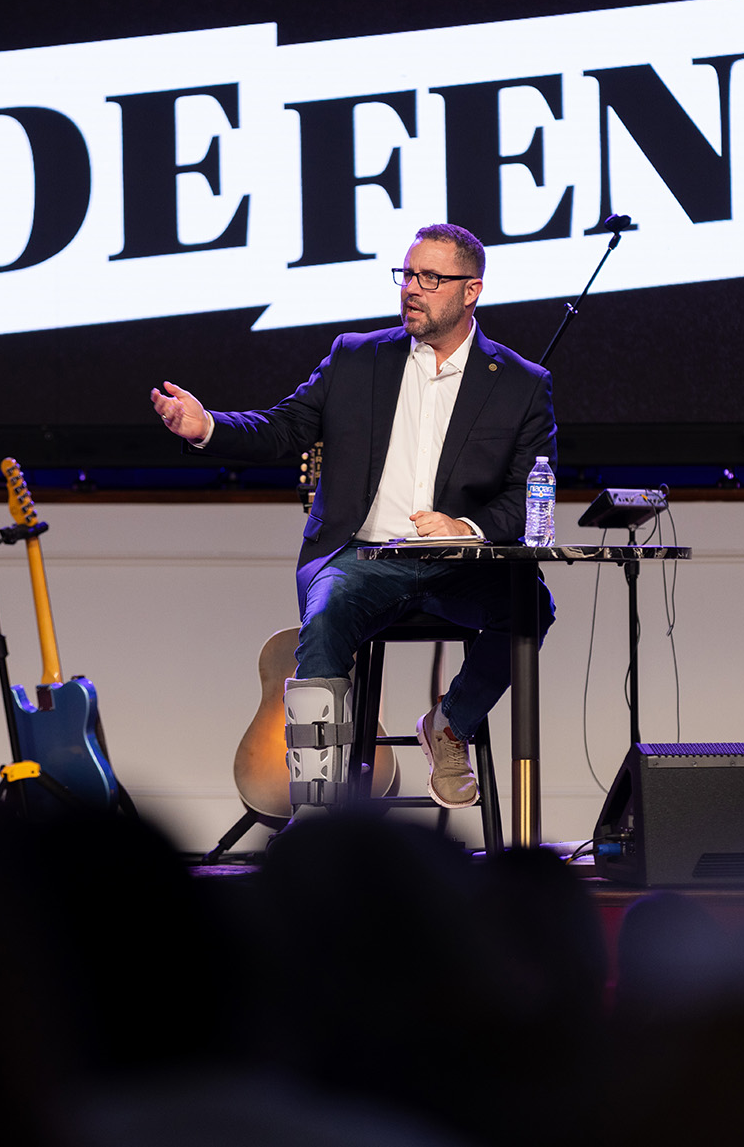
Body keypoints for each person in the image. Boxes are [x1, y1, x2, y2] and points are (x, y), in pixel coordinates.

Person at [150, 222, 555, 813]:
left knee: (531, 604)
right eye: (407, 274)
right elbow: (284, 427)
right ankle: (317, 805)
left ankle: (450, 724)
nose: (411, 288)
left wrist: (464, 529)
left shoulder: (521, 384)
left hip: (459, 564)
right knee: (326, 614)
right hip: (365, 557)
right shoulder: (357, 357)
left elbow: (528, 493)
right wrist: (207, 426)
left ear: (471, 291)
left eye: (430, 278)